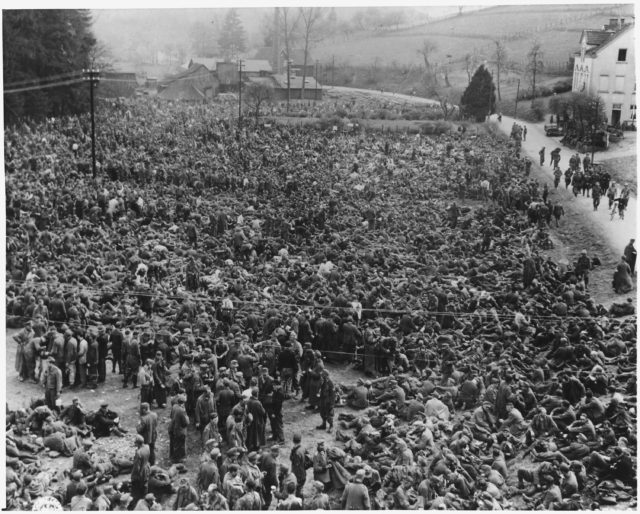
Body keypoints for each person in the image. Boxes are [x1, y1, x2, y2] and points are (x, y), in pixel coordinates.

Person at [169, 394, 189, 463]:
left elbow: (171, 416)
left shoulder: (174, 406)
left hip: (173, 428)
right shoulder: (182, 410)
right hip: (180, 431)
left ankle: (172, 456)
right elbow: (186, 422)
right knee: (180, 445)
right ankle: (179, 459)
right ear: (183, 402)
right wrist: (186, 414)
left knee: (174, 444)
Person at [131, 435, 151, 504]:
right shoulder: (147, 447)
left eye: (136, 443)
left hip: (142, 470)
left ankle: (139, 500)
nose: (135, 444)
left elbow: (137, 468)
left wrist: (134, 476)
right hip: (147, 466)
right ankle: (146, 497)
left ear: (138, 443)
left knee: (138, 485)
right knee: (146, 483)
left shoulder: (138, 453)